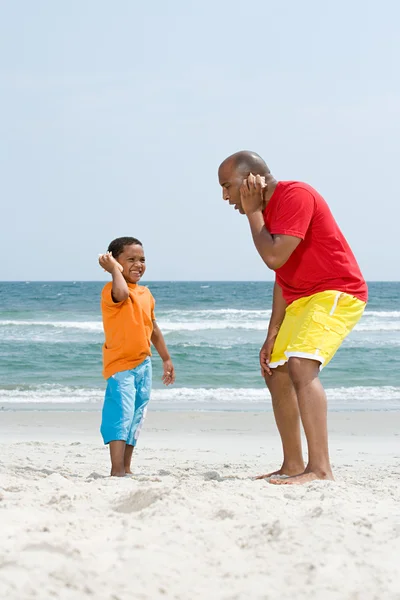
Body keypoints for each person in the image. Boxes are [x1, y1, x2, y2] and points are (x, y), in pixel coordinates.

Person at [218, 151, 367, 485]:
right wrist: (272, 333)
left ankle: (320, 470)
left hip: (337, 291)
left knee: (301, 364)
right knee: (278, 371)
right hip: (301, 298)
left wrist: (253, 212)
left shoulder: (295, 195)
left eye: (227, 186)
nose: (225, 197)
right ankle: (291, 464)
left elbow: (273, 256)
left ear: (250, 180)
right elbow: (282, 275)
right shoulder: (269, 211)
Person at [98, 236, 175, 477]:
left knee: (135, 417)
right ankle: (116, 469)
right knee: (119, 414)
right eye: (130, 259)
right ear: (115, 261)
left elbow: (153, 327)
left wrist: (166, 358)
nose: (138, 264)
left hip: (144, 364)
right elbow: (121, 294)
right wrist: (113, 271)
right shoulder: (112, 289)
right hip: (120, 365)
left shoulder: (145, 294)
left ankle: (127, 467)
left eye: (142, 259)